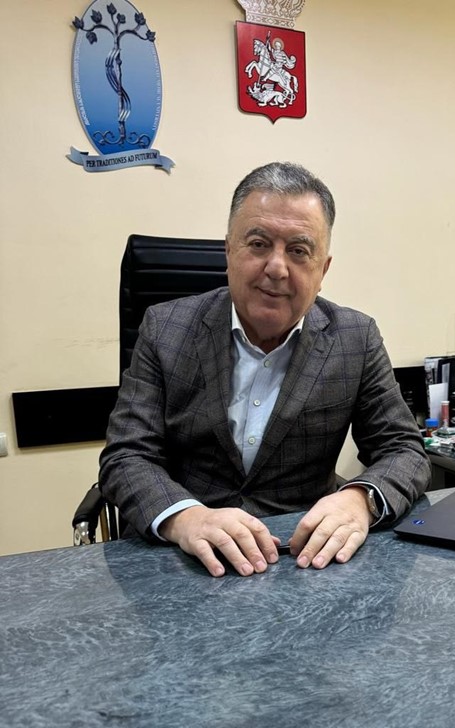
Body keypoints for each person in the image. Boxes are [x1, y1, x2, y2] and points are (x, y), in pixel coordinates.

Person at [99, 162, 431, 577]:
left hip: (303, 558)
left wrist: (359, 499)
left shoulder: (355, 338)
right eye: (258, 244)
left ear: (323, 270)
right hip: (183, 560)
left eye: (299, 251)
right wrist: (185, 517)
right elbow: (127, 455)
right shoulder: (165, 328)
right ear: (228, 251)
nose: (277, 267)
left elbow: (403, 449)